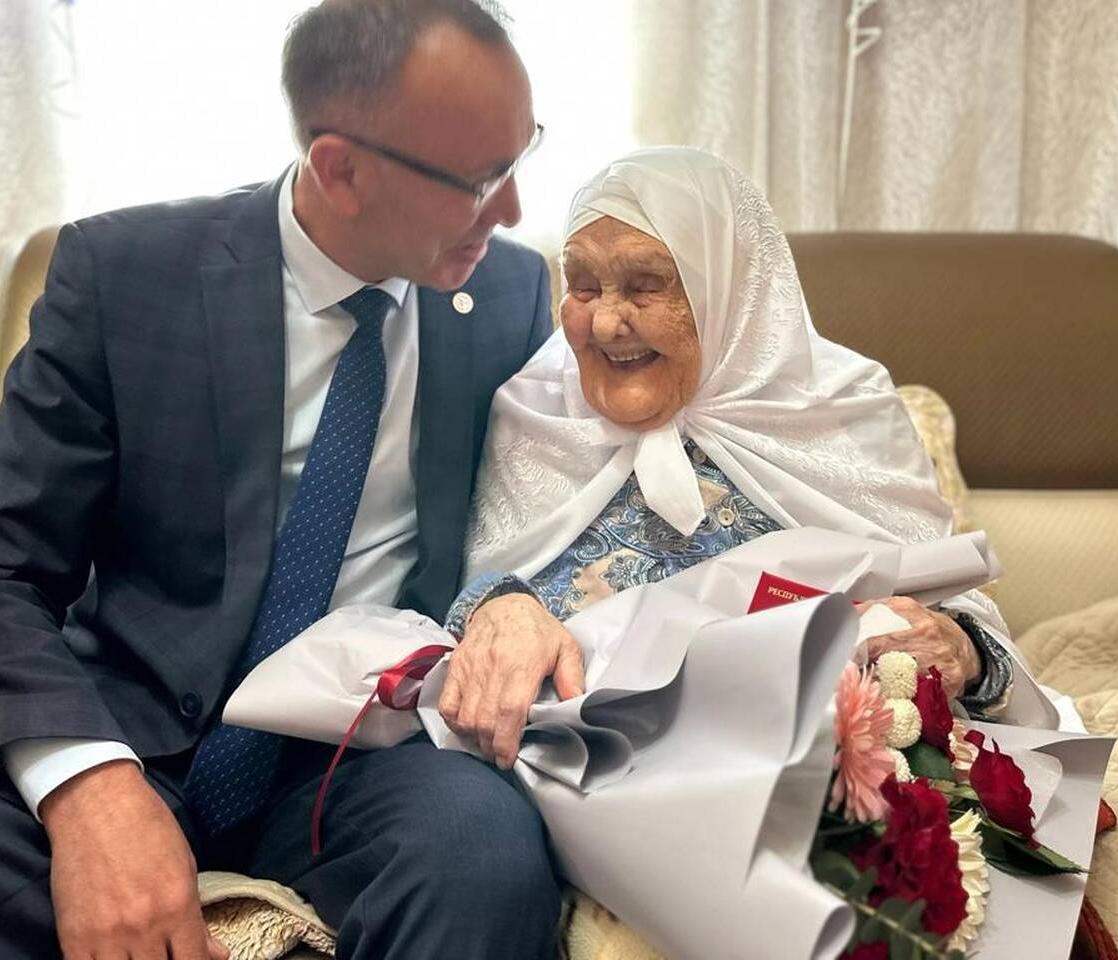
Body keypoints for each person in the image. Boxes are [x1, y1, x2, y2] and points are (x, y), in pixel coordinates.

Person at [0, 0, 564, 959]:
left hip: (361, 754)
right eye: (478, 179)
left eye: (521, 155)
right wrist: (87, 786)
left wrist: (515, 599)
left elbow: (554, 512)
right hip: (120, 723)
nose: (513, 211)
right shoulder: (125, 278)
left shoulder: (507, 297)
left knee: (486, 863)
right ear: (341, 169)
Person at [440, 148, 1046, 771]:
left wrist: (961, 650)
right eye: (584, 287)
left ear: (731, 289)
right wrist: (497, 605)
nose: (604, 323)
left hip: (821, 776)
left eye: (646, 286)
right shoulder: (536, 412)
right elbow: (463, 593)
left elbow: (964, 632)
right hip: (564, 772)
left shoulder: (841, 407)